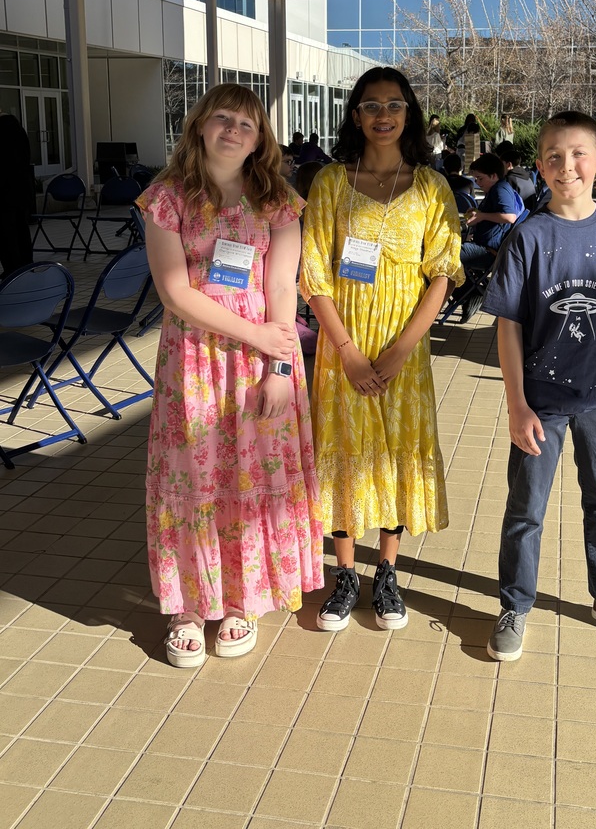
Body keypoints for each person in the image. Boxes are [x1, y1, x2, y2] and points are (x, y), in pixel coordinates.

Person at [139, 83, 324, 668]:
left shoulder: (279, 202)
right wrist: (258, 338)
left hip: (260, 363)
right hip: (194, 360)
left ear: (260, 137)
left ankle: (241, 597)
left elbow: (280, 290)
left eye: (246, 123)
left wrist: (277, 367)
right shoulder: (167, 199)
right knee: (190, 477)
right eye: (221, 118)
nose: (233, 130)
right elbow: (174, 293)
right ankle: (189, 604)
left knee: (249, 478)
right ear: (198, 126)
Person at [481, 110, 596, 662]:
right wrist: (516, 403)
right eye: (556, 156)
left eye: (579, 154)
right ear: (541, 166)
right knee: (526, 509)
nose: (569, 166)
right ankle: (515, 603)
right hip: (541, 401)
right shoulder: (528, 237)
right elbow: (508, 325)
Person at [300, 66, 463, 632]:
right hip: (342, 346)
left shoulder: (432, 187)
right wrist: (344, 349)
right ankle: (345, 572)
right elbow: (313, 271)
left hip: (403, 348)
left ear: (410, 113)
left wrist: (398, 354)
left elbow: (441, 274)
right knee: (343, 447)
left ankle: (386, 571)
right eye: (372, 105)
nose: (384, 114)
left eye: (395, 104)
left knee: (395, 450)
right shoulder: (328, 183)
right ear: (355, 115)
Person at [454, 152, 523, 322]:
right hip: (486, 247)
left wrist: (482, 216)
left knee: (444, 255)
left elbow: (509, 217)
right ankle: (469, 293)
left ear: (493, 175)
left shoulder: (500, 189)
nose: (477, 183)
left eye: (480, 178)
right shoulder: (499, 188)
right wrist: (479, 213)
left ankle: (470, 294)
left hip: (488, 252)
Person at [0, 111, 35, 278]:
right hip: (22, 189)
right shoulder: (18, 130)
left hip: (4, 192)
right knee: (21, 230)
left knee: (7, 234)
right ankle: (26, 269)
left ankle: (12, 272)